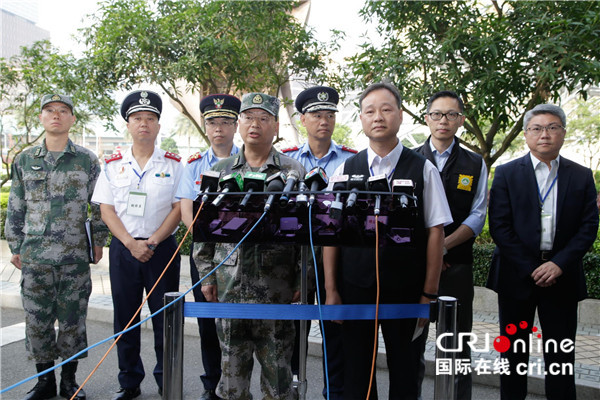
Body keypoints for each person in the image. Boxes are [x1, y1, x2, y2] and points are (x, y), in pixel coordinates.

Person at [323, 82, 452, 399]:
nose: (378, 116)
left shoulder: (423, 169)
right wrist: (331, 291)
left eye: (386, 109)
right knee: (357, 377)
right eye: (370, 110)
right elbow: (331, 234)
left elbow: (436, 232)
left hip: (407, 291)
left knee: (407, 374)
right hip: (354, 289)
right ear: (362, 119)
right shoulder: (344, 170)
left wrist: (428, 294)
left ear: (400, 115)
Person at [194, 92, 306, 399]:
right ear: (239, 123)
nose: (255, 124)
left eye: (263, 118)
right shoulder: (221, 171)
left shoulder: (292, 172)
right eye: (248, 117)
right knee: (232, 383)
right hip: (230, 286)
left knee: (278, 380)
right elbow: (203, 230)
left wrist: (301, 278)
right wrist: (207, 275)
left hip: (277, 288)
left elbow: (306, 235)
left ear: (275, 126)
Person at [487, 104, 598, 400]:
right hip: (516, 276)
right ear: (526, 134)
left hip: (562, 277)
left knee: (561, 356)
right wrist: (531, 267)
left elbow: (588, 228)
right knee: (513, 353)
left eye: (552, 127)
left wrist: (558, 265)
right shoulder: (507, 173)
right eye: (536, 128)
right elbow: (499, 227)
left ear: (563, 133)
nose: (544, 134)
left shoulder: (582, 175)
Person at [5, 93, 108, 400]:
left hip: (74, 257)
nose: (56, 116)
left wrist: (98, 242)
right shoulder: (25, 160)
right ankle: (44, 382)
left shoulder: (86, 160)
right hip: (35, 256)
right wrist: (15, 246)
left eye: (63, 111)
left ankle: (69, 381)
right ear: (41, 117)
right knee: (37, 321)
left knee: (73, 322)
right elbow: (16, 206)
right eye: (50, 111)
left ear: (72, 119)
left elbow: (98, 206)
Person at [91, 90, 183, 400]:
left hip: (162, 250)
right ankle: (129, 382)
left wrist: (153, 241)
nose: (144, 123)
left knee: (164, 319)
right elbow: (106, 210)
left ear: (158, 126)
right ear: (128, 125)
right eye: (137, 118)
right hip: (124, 250)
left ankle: (165, 379)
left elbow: (178, 208)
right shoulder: (113, 163)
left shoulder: (173, 164)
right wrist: (131, 243)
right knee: (125, 318)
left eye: (150, 118)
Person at [282, 85, 356, 400]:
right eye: (316, 115)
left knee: (334, 331)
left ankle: (333, 392)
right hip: (294, 256)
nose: (323, 121)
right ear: (303, 120)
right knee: (291, 332)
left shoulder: (351, 161)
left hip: (335, 257)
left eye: (329, 115)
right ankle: (291, 390)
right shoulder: (286, 161)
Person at [413, 90, 488, 400]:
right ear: (427, 118)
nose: (443, 121)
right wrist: (429, 252)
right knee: (412, 343)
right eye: (437, 114)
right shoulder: (411, 160)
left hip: (457, 266)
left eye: (451, 115)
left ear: (462, 120)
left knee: (455, 345)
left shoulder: (475, 162)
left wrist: (441, 248)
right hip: (415, 269)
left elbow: (478, 215)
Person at [176, 93, 241, 400]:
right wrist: (202, 236)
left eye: (225, 122)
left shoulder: (250, 160)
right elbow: (187, 209)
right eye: (213, 123)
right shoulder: (193, 166)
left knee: (244, 322)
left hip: (242, 254)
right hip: (206, 255)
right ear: (205, 126)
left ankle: (239, 386)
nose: (219, 129)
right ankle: (211, 384)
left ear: (235, 125)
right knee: (207, 321)